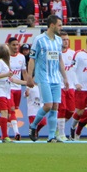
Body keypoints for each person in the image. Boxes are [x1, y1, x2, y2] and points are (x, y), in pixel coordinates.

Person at [27, 14, 68, 142]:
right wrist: (29, 76)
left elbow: (60, 59)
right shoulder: (39, 40)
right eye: (59, 25)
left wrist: (65, 78)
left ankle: (51, 136)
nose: (61, 27)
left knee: (55, 106)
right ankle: (33, 125)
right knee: (48, 105)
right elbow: (32, 59)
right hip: (43, 76)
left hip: (56, 78)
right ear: (52, 25)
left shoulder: (58, 40)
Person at [0, 44, 27, 143]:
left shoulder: (5, 65)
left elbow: (11, 79)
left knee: (7, 115)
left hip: (5, 92)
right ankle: (4, 136)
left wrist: (25, 83)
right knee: (4, 113)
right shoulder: (0, 63)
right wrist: (6, 74)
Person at [7, 37, 27, 141]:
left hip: (18, 88)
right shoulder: (5, 58)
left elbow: (24, 72)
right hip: (7, 88)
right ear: (8, 45)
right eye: (13, 45)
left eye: (17, 45)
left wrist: (27, 86)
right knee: (12, 111)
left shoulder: (21, 57)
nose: (16, 47)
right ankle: (16, 133)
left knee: (10, 112)